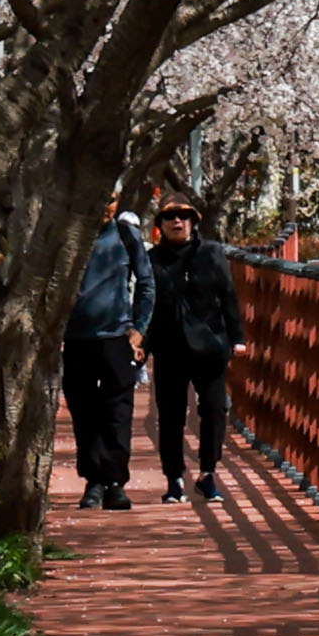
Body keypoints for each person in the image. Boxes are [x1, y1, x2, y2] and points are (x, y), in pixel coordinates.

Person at [147, 200, 243, 503]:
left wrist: (236, 337)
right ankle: (174, 479)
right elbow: (144, 303)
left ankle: (207, 473)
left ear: (193, 222)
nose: (178, 221)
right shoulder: (152, 260)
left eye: (185, 216)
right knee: (172, 415)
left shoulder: (212, 254)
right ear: (161, 224)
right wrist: (141, 342)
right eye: (171, 217)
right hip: (169, 347)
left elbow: (228, 295)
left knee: (215, 409)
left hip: (210, 346)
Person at [61, 198, 150, 510]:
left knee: (118, 413)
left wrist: (138, 330)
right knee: (84, 413)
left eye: (111, 200)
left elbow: (146, 284)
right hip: (75, 339)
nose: (104, 205)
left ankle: (115, 482)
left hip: (116, 337)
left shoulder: (126, 236)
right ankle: (93, 481)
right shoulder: (66, 234)